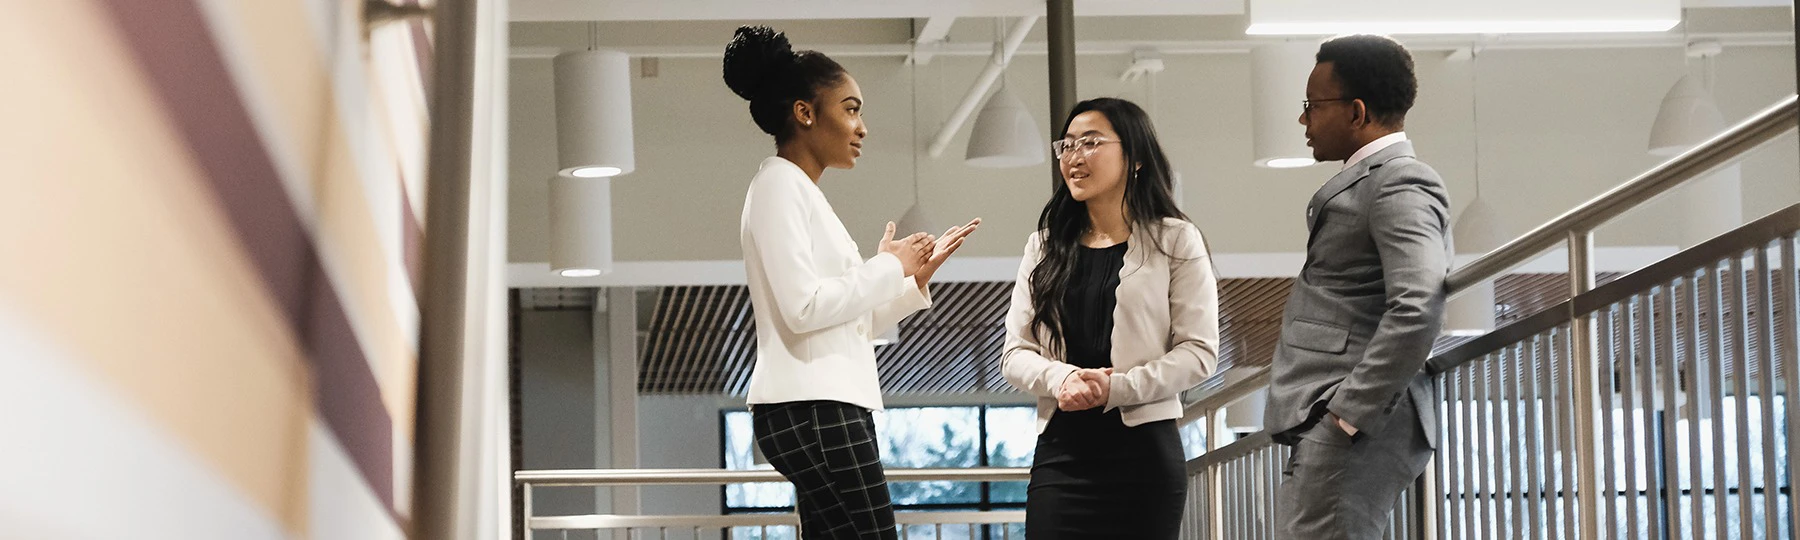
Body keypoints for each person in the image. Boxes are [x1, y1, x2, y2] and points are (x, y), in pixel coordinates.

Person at [724, 25, 980, 539]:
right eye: (851, 108)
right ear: (805, 112)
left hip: (823, 402)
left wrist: (908, 281)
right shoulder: (777, 184)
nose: (861, 127)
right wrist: (887, 268)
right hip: (813, 404)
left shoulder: (798, 190)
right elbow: (803, 308)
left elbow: (845, 321)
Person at [1000, 97, 1218, 539]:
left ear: (1134, 158)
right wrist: (1062, 380)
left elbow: (1199, 353)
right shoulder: (1043, 247)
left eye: (1091, 142)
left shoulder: (1175, 239)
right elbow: (1015, 353)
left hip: (1144, 457)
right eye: (1067, 145)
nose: (1074, 156)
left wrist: (1116, 388)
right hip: (1062, 454)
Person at [1264, 34, 1452, 540]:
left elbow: (1418, 303)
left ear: (1357, 111)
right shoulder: (1375, 181)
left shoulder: (1398, 182)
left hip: (1352, 417)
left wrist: (1349, 414)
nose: (1303, 120)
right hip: (1338, 415)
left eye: (1312, 106)